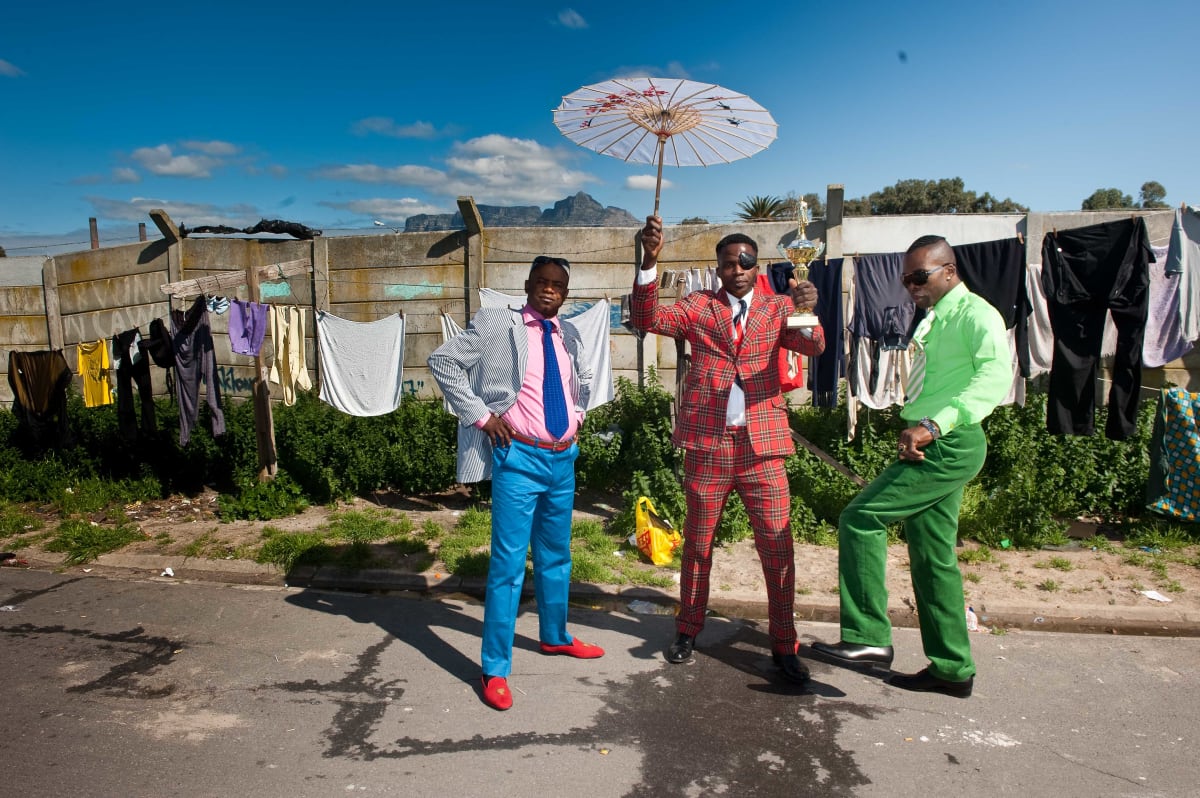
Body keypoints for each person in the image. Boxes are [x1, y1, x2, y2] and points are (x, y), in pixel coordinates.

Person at [811, 235, 1011, 698]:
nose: (911, 286)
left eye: (919, 276)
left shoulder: (976, 314)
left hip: (949, 441)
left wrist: (933, 426)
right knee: (933, 555)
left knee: (861, 518)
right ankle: (952, 667)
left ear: (949, 271)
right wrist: (918, 426)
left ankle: (867, 638)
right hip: (931, 441)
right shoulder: (935, 317)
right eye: (906, 279)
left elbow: (994, 377)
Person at [634, 215, 824, 685]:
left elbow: (815, 346)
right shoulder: (699, 306)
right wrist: (649, 261)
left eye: (745, 261)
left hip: (763, 447)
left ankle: (784, 644)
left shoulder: (779, 307)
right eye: (727, 263)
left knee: (778, 547)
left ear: (756, 264)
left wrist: (809, 309)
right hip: (708, 445)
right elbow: (646, 318)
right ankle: (687, 630)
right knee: (697, 544)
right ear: (717, 269)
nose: (737, 269)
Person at [428, 256, 604, 711]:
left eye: (558, 286)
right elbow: (443, 361)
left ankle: (554, 636)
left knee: (556, 556)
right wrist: (482, 417)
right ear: (527, 285)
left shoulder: (569, 332)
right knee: (507, 567)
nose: (549, 291)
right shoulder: (495, 322)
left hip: (563, 459)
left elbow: (580, 380)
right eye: (542, 283)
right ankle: (494, 667)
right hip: (519, 457)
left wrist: (578, 415)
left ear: (566, 292)